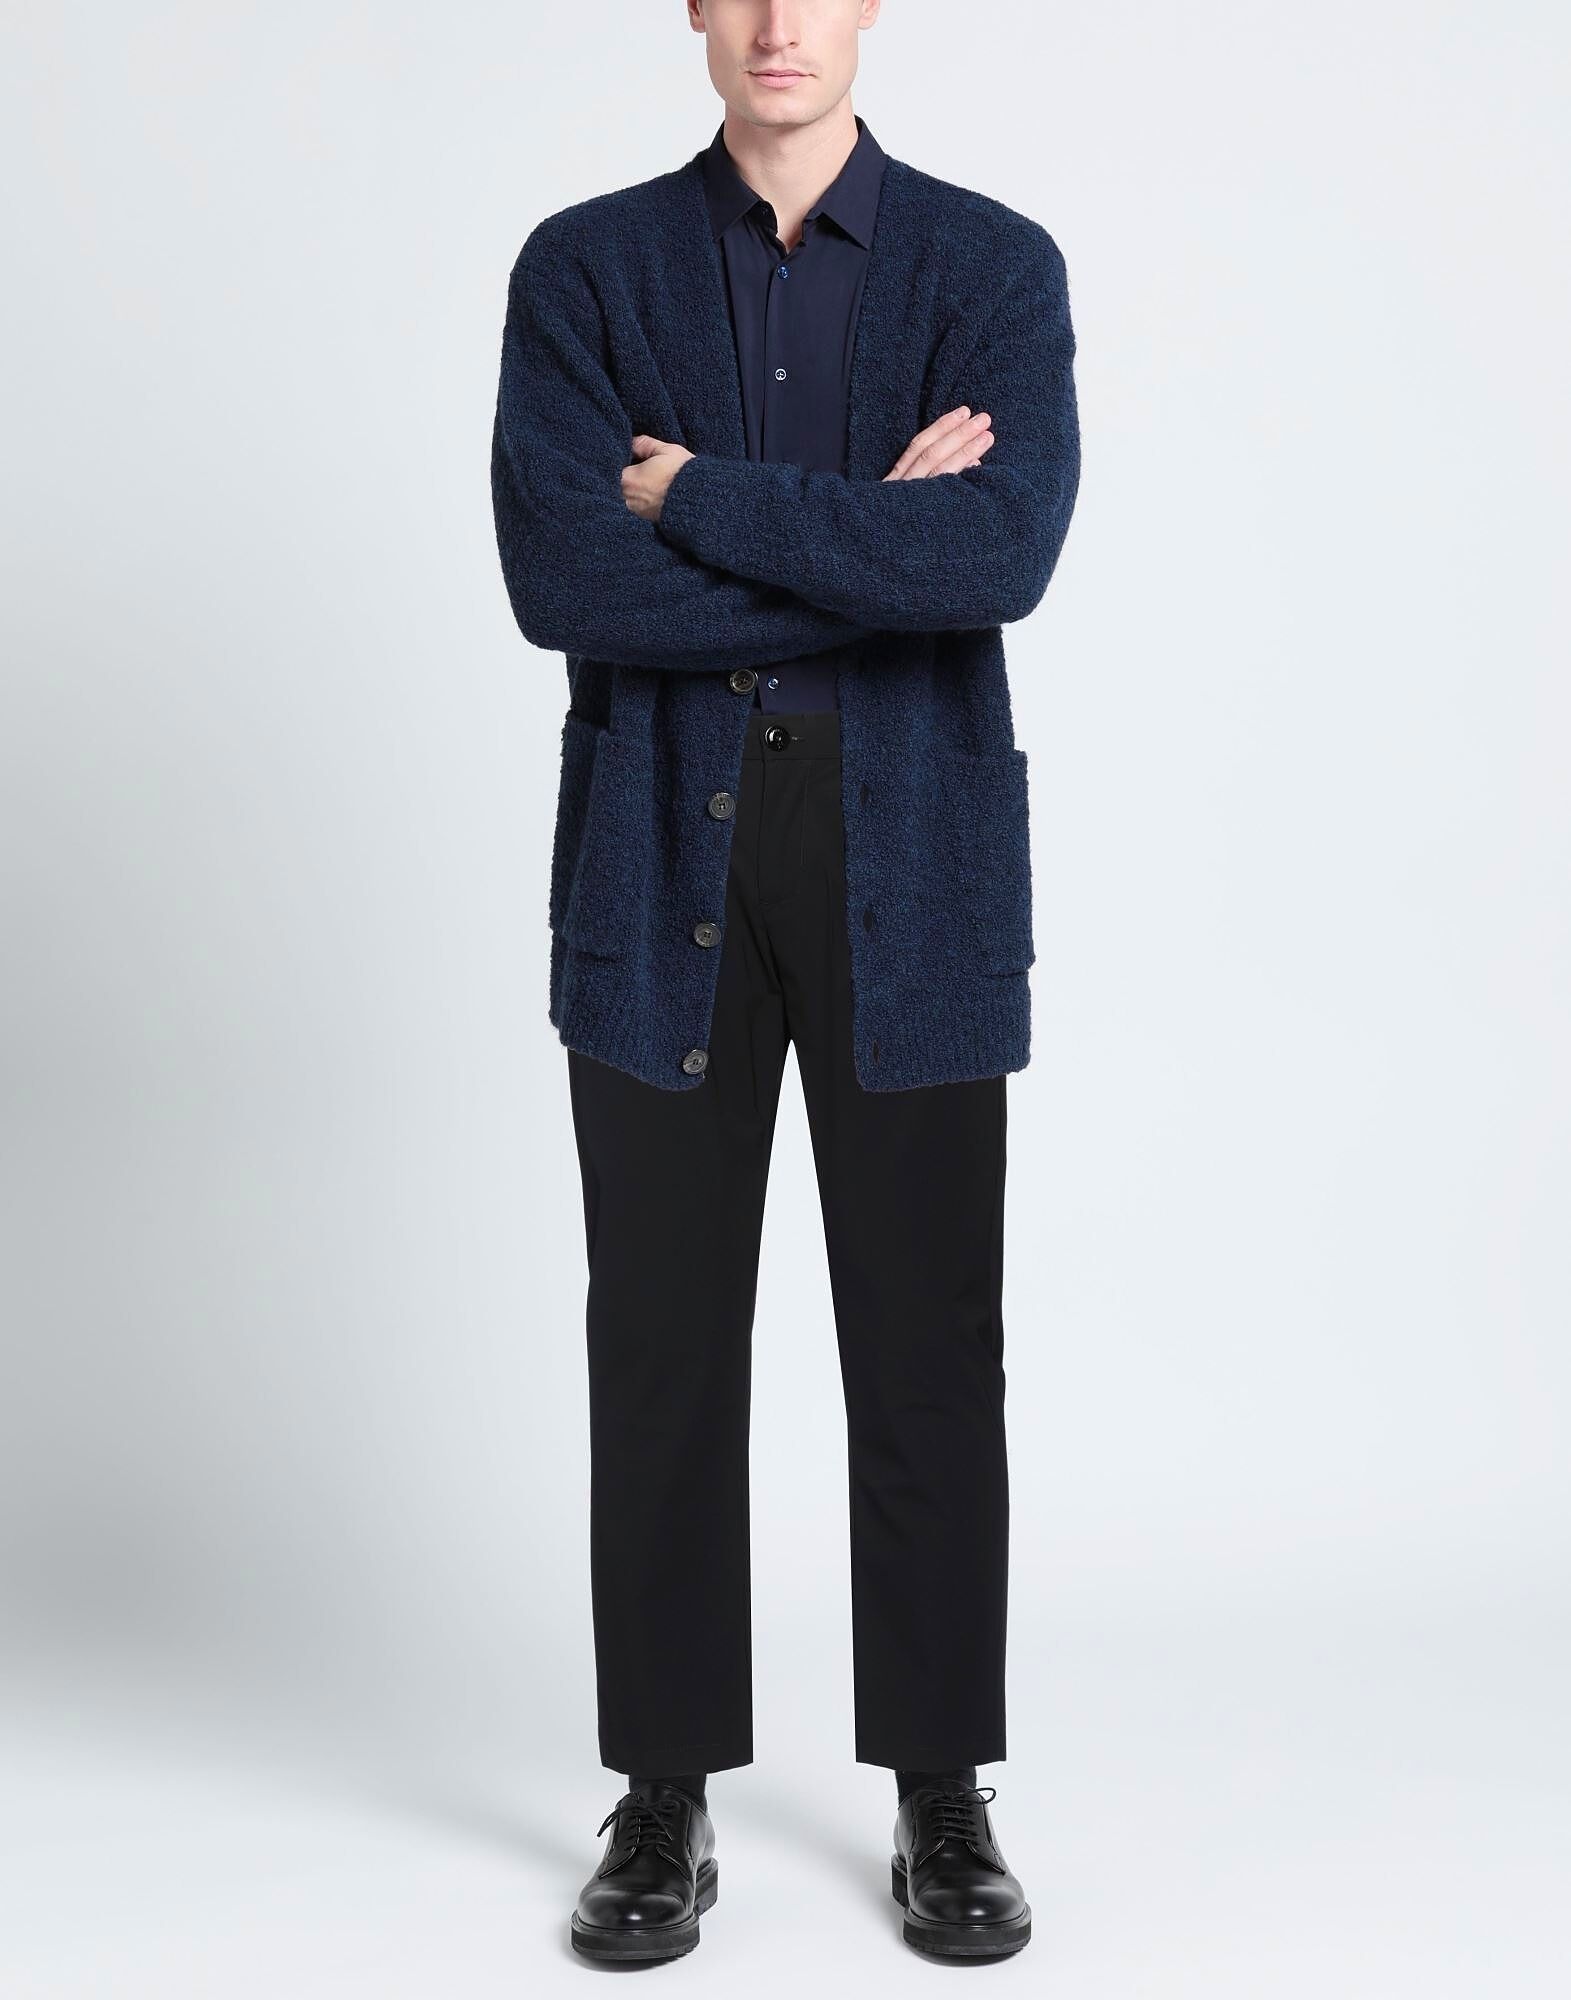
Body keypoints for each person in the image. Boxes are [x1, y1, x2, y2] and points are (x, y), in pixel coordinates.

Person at [490, 0, 1079, 1964]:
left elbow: (997, 554)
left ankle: (942, 1789)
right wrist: (877, 538)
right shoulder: (588, 269)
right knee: (662, 1339)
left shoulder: (991, 269)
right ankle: (661, 1797)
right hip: (663, 843)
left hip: (913, 854)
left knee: (929, 1342)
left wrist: (694, 498)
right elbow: (562, 580)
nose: (776, 24)